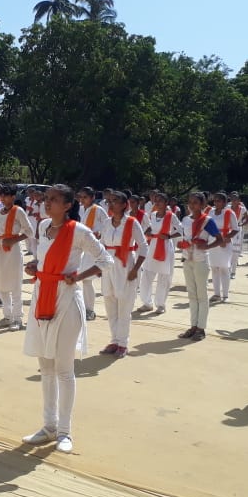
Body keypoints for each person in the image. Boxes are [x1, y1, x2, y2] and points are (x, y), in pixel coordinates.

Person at [21, 184, 113, 454]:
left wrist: (80, 277)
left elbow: (106, 260)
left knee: (63, 368)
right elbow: (43, 260)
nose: (47, 203)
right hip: (41, 297)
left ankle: (65, 431)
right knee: (45, 367)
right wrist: (34, 267)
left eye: (53, 200)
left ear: (68, 205)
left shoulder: (79, 232)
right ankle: (48, 426)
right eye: (46, 199)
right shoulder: (43, 227)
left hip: (66, 301)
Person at [98, 190, 147, 357]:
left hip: (125, 265)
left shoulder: (132, 223)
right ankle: (114, 340)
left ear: (125, 205)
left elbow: (143, 247)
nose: (111, 204)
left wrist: (135, 269)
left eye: (115, 201)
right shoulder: (106, 222)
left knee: (124, 306)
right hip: (108, 266)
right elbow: (101, 245)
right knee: (110, 304)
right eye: (109, 201)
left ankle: (123, 343)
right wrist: (99, 266)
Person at [0, 184, 34, 330]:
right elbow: (2, 231)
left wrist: (14, 240)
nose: (2, 198)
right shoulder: (0, 211)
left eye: (5, 196)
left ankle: (17, 318)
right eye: (1, 196)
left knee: (15, 284)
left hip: (13, 249)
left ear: (13, 197)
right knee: (2, 282)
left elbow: (30, 231)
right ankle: (7, 316)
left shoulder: (18, 211)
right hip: (1, 248)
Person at [180, 193, 222, 341]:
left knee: (201, 295)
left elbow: (220, 239)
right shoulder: (185, 220)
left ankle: (201, 328)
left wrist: (207, 246)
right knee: (191, 294)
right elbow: (185, 238)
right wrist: (182, 245)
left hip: (201, 261)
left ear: (203, 204)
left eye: (196, 203)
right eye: (190, 202)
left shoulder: (208, 221)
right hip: (187, 259)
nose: (192, 205)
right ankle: (193, 326)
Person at [136, 192, 179, 315]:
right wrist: (148, 231)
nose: (157, 203)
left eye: (160, 201)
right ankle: (147, 303)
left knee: (163, 277)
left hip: (165, 247)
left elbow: (180, 230)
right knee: (147, 275)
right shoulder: (153, 215)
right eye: (156, 200)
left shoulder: (171, 216)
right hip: (153, 246)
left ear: (166, 203)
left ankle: (160, 305)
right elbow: (150, 227)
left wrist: (169, 236)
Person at [76, 187, 109, 321]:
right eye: (81, 197)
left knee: (87, 279)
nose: (82, 200)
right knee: (85, 279)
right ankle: (87, 308)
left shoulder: (98, 209)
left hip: (94, 247)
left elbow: (107, 225)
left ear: (92, 197)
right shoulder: (81, 208)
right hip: (84, 247)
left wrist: (99, 234)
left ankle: (89, 310)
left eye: (85, 197)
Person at [207, 193, 236, 303]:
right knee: (214, 268)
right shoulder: (210, 212)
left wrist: (226, 238)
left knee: (224, 268)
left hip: (224, 242)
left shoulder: (229, 213)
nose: (216, 203)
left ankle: (225, 295)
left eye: (219, 201)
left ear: (224, 202)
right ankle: (216, 294)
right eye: (215, 201)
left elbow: (235, 229)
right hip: (213, 241)